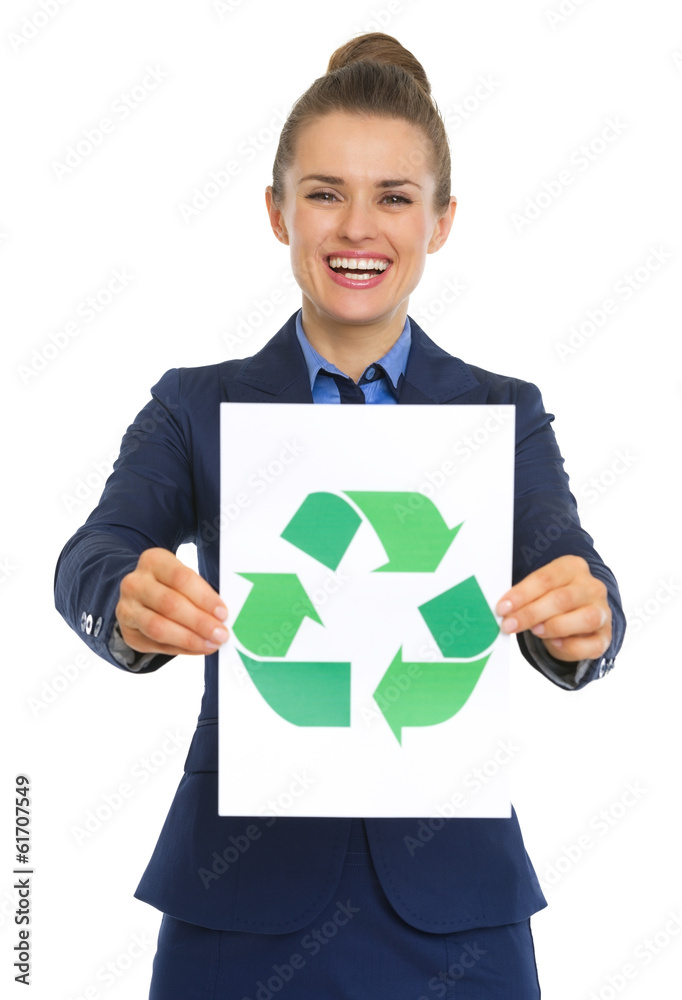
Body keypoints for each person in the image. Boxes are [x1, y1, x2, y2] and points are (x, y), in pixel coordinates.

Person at [54, 32, 624, 999]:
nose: (358, 227)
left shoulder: (500, 414)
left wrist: (586, 621)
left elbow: (565, 559)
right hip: (238, 899)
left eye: (395, 197)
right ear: (278, 213)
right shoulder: (196, 406)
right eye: (324, 193)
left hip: (457, 910)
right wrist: (125, 600)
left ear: (441, 222)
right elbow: (94, 552)